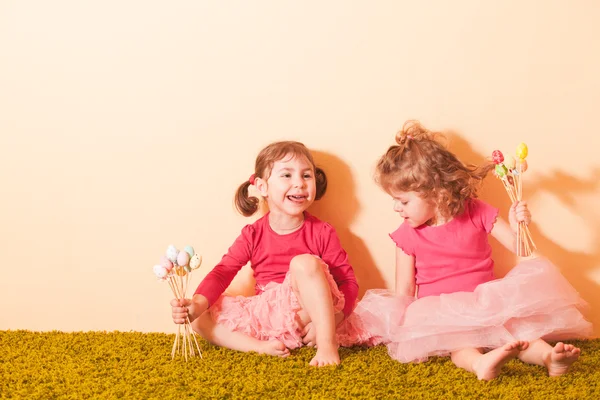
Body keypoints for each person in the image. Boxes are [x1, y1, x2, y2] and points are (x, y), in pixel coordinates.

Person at [356, 121, 593, 380]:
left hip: (485, 302)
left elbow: (520, 247)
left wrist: (517, 226)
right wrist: (403, 329)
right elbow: (404, 290)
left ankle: (548, 357)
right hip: (441, 312)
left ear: (435, 192)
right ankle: (480, 363)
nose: (396, 208)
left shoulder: (476, 211)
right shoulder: (407, 234)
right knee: (461, 345)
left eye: (402, 201)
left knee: (519, 329)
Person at [171, 141, 364, 366]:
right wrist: (196, 305)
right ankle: (260, 347)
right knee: (200, 317)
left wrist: (334, 321)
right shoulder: (253, 234)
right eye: (287, 176)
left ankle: (326, 345)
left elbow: (348, 283)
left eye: (306, 176)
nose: (299, 184)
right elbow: (223, 272)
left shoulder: (321, 232)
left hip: (308, 314)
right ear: (262, 187)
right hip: (269, 319)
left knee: (304, 263)